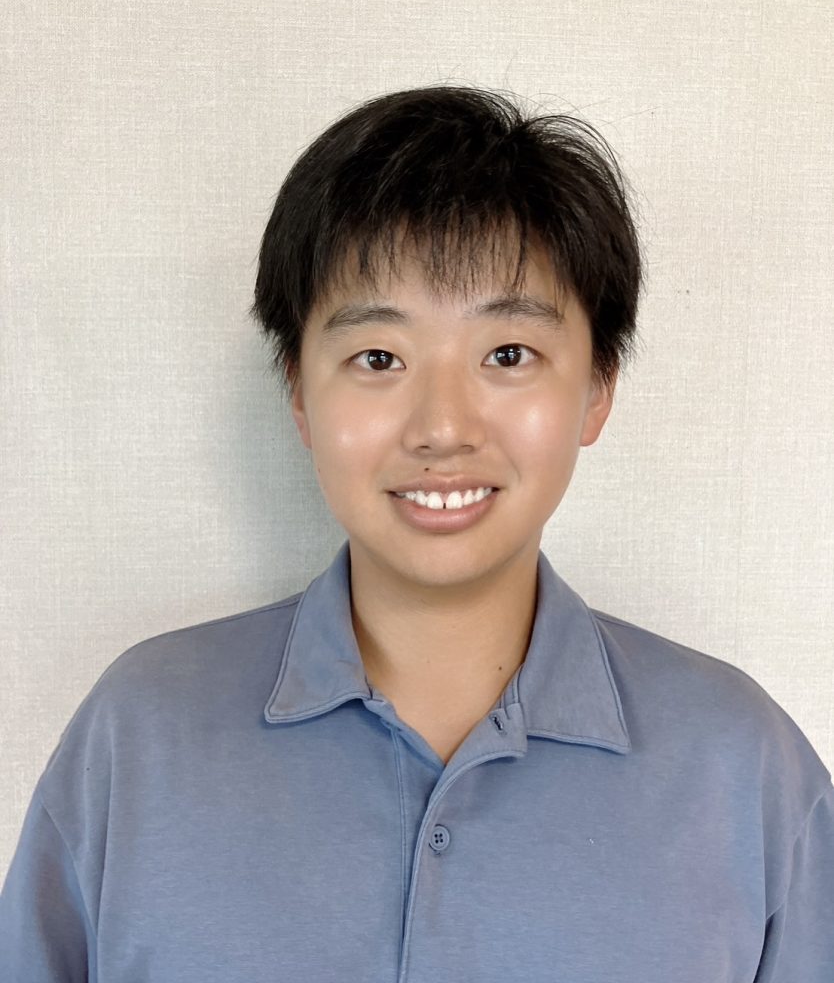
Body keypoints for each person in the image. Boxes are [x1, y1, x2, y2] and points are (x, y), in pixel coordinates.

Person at [2, 85, 832, 982]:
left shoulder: (742, 771)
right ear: (298, 392)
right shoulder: (139, 736)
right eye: (379, 358)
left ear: (598, 386)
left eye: (507, 355)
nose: (443, 427)